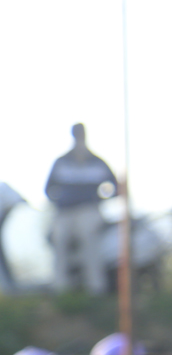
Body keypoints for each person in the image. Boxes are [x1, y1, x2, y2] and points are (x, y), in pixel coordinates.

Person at [44, 123, 119, 294]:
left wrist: (99, 199)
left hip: (89, 210)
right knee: (58, 239)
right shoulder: (61, 162)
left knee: (89, 240)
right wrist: (60, 201)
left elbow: (115, 188)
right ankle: (61, 289)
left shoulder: (97, 162)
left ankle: (96, 288)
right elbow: (48, 189)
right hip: (65, 212)